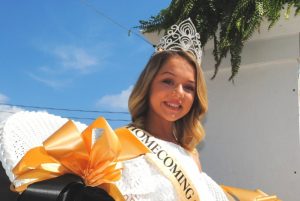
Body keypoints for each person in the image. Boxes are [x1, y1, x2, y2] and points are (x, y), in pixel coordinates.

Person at [114, 18, 230, 201]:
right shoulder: (122, 142)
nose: (179, 93)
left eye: (189, 87)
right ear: (149, 84)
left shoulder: (191, 154)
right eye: (168, 81)